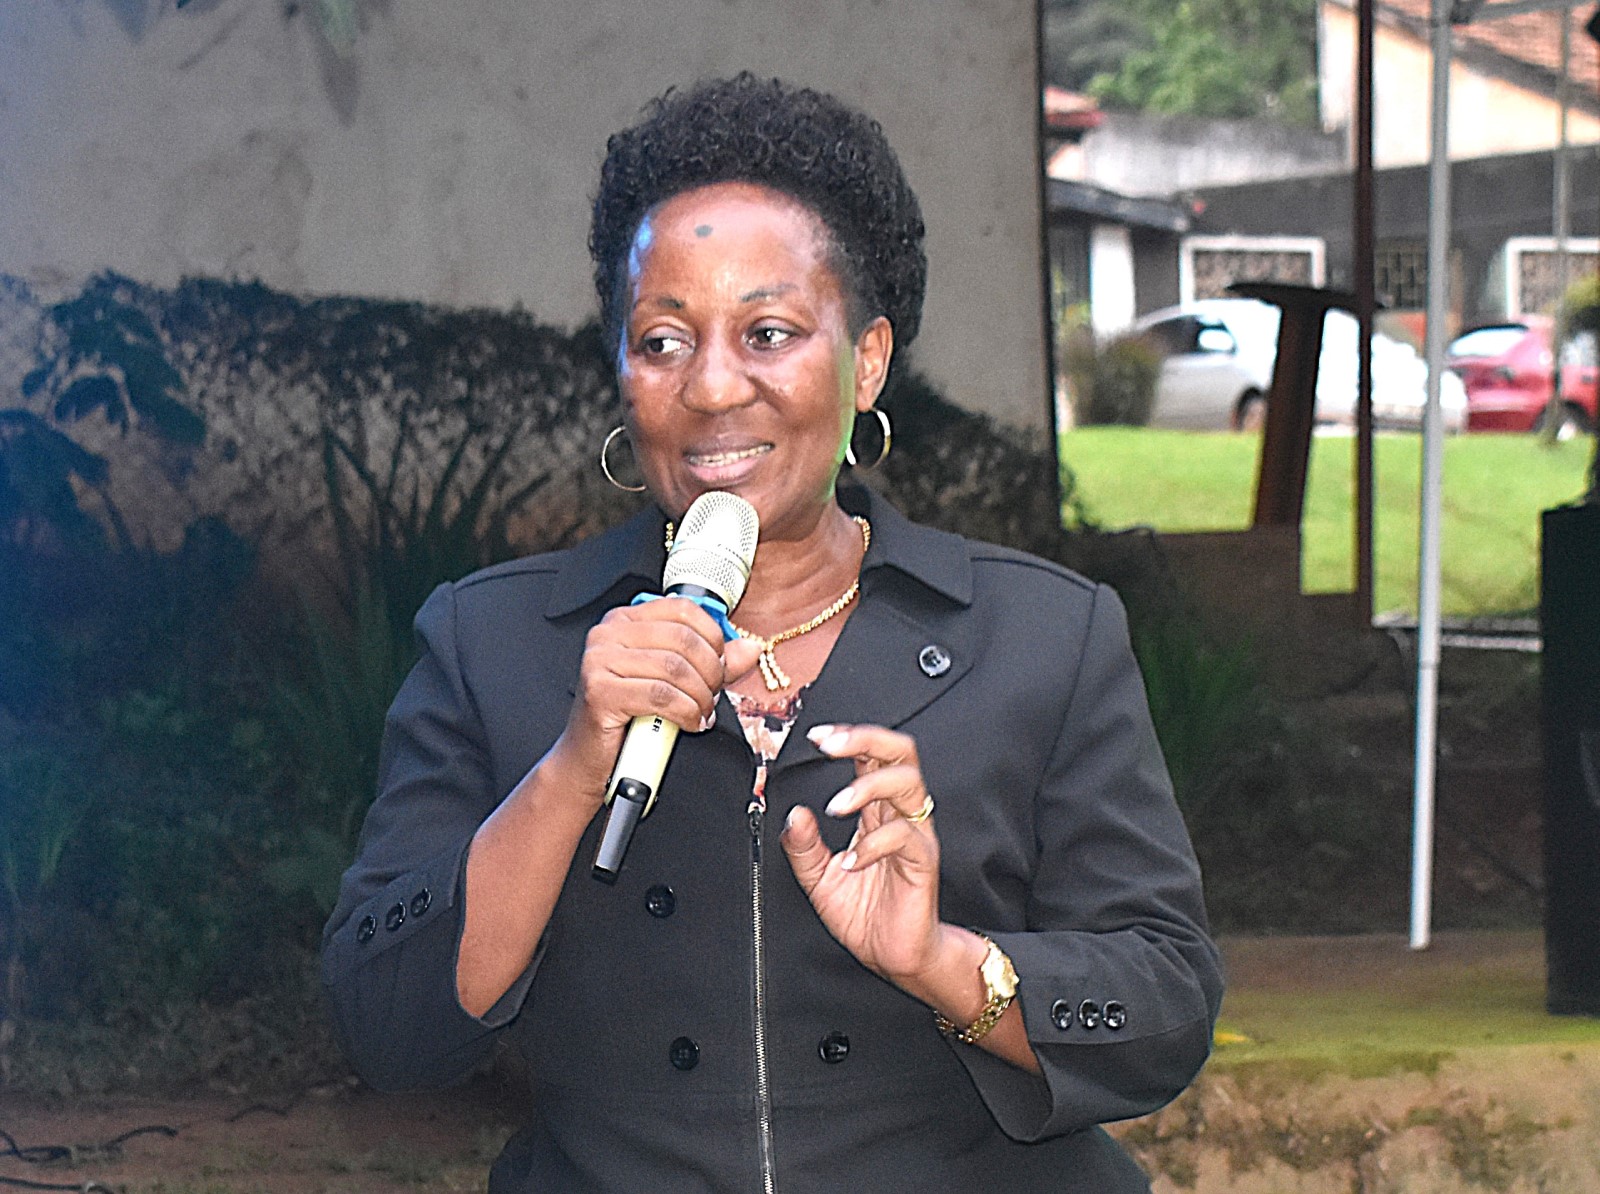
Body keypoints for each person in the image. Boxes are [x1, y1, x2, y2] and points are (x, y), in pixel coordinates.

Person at [322, 73, 1223, 1192]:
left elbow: (1165, 1008)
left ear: (869, 359)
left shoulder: (1041, 635)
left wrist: (943, 963)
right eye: (660, 340)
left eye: (768, 331)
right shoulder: (494, 640)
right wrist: (569, 767)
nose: (710, 387)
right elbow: (385, 1024)